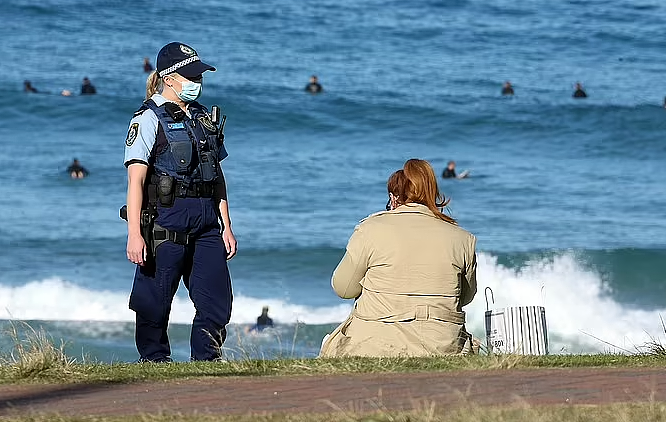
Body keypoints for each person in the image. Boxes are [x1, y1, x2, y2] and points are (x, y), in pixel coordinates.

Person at [123, 42, 237, 362]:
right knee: (153, 303)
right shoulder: (147, 118)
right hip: (165, 221)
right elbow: (136, 181)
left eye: (199, 75)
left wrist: (226, 226)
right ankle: (155, 361)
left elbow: (217, 176)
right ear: (170, 79)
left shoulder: (203, 118)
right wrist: (134, 234)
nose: (197, 82)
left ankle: (206, 361)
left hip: (206, 224)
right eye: (190, 76)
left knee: (216, 302)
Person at [319, 159, 477, 358]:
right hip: (442, 345)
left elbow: (343, 288)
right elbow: (466, 296)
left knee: (331, 343)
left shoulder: (370, 230)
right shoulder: (462, 238)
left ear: (393, 199)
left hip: (374, 344)